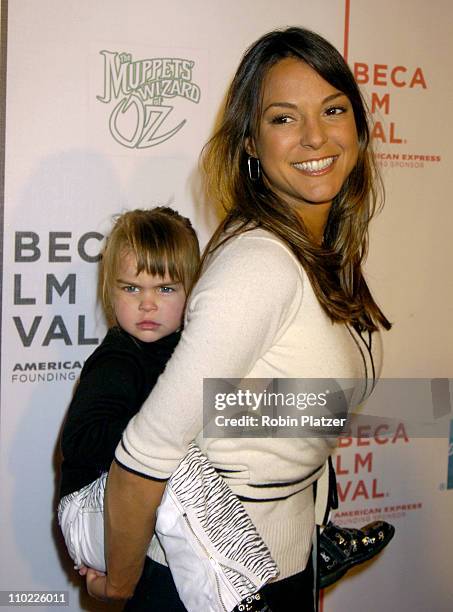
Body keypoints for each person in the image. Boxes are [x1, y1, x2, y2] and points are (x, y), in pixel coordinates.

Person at [89, 27, 392, 611]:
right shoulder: (259, 265)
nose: (314, 136)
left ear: (357, 123)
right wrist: (120, 588)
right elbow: (145, 456)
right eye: (283, 118)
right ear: (250, 140)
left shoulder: (317, 252)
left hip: (279, 569)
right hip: (209, 585)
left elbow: (256, 409)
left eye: (333, 109)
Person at [57, 207, 200, 573]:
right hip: (89, 510)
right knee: (190, 458)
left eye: (165, 289)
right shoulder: (117, 359)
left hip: (128, 502)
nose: (147, 303)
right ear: (111, 290)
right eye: (131, 288)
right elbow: (81, 441)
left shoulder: (188, 349)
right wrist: (167, 431)